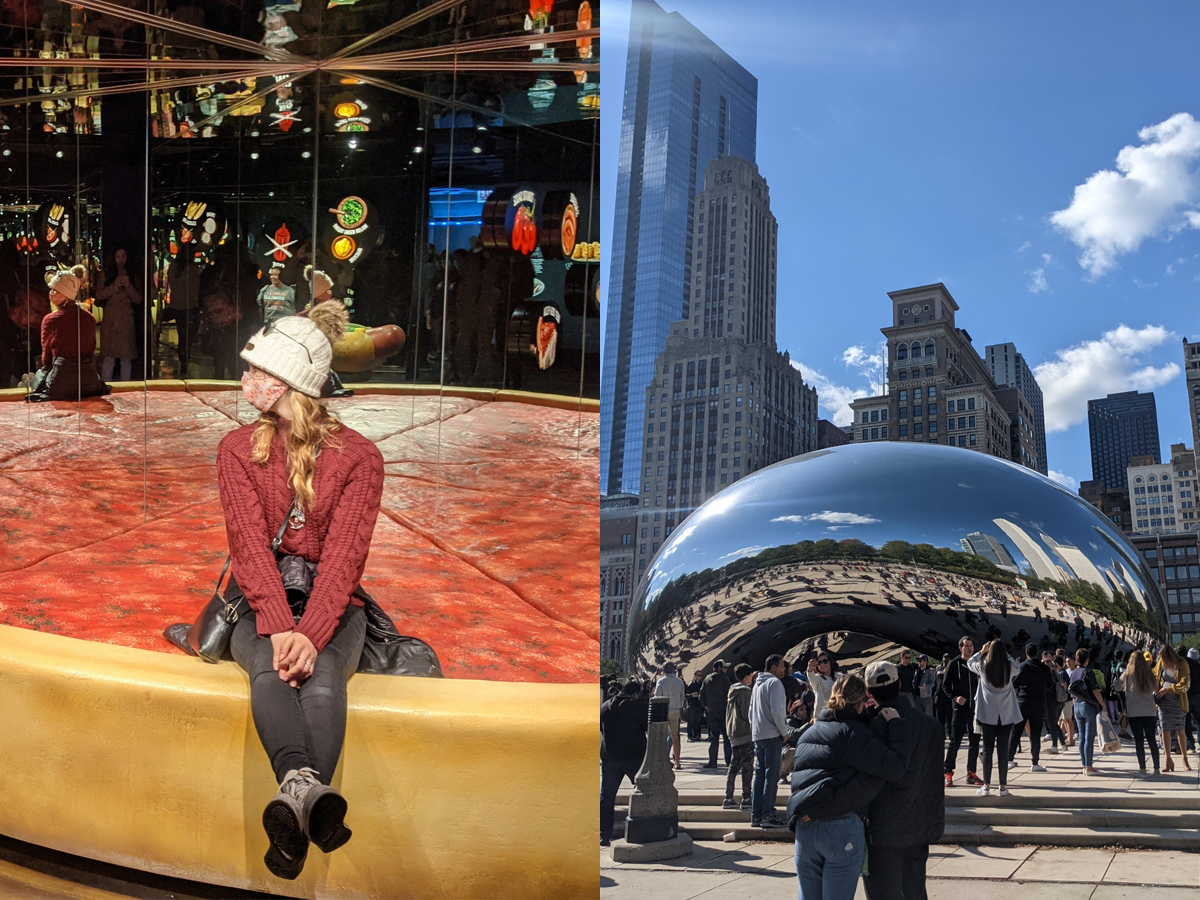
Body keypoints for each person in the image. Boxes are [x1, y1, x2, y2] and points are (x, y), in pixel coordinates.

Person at [217, 300, 384, 879]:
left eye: (256, 370)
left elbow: (344, 559)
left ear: (288, 381)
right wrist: (281, 625)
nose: (245, 380)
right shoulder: (235, 449)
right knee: (272, 665)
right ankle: (309, 799)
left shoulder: (361, 458)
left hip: (329, 603)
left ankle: (293, 811)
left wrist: (310, 633)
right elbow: (247, 547)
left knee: (318, 675)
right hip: (262, 599)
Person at [787, 675, 910, 900]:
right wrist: (896, 725)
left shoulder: (808, 734)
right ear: (862, 701)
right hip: (841, 826)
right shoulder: (853, 733)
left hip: (804, 827)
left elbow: (800, 781)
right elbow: (894, 767)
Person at [862, 661, 943, 900]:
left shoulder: (871, 728)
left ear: (869, 692)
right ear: (899, 684)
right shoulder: (932, 725)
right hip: (920, 825)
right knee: (916, 891)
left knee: (884, 893)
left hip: (883, 829)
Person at [26, 267, 110, 402]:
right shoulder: (89, 318)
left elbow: (46, 356)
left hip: (60, 382)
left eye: (55, 291)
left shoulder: (51, 319)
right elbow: (91, 348)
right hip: (88, 381)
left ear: (65, 295)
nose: (50, 293)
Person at [967, 640, 1021, 796]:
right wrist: (1008, 655)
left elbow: (970, 662)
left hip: (988, 714)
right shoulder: (1009, 667)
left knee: (987, 749)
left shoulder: (983, 666)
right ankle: (1003, 786)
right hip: (1006, 714)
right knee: (1003, 751)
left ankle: (986, 785)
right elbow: (1018, 668)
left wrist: (982, 651)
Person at [600, 679, 647, 848]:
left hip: (610, 757)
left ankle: (604, 834)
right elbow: (646, 726)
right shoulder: (636, 705)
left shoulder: (605, 706)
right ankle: (643, 830)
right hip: (633, 757)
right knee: (644, 791)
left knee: (607, 796)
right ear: (635, 693)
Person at [749, 654, 791, 828]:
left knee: (759, 775)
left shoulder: (757, 684)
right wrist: (784, 732)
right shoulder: (774, 683)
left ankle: (756, 815)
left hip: (759, 734)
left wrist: (755, 730)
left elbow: (751, 711)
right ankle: (768, 814)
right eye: (782, 666)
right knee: (771, 775)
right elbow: (777, 712)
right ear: (773, 667)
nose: (784, 669)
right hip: (773, 734)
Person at [1009, 642, 1057, 772]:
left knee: (1016, 732)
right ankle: (1035, 762)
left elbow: (1014, 684)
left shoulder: (1021, 667)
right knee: (1035, 734)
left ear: (1026, 653)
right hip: (1039, 703)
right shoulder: (1044, 668)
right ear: (1037, 653)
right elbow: (1050, 684)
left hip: (1023, 702)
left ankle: (1009, 759)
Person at [941, 636, 982, 787]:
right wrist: (955, 697)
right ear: (960, 648)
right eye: (967, 646)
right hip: (959, 709)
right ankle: (948, 772)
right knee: (955, 741)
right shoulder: (954, 664)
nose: (970, 648)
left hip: (976, 710)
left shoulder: (977, 665)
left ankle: (971, 773)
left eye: (971, 645)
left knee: (975, 742)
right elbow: (945, 686)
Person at [96, 248, 142, 382]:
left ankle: (126, 390)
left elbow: (138, 299)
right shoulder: (106, 274)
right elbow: (99, 294)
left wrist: (128, 286)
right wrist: (115, 286)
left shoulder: (133, 275)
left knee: (126, 358)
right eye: (117, 256)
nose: (121, 260)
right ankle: (105, 387)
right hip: (110, 319)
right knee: (109, 358)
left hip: (126, 319)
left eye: (123, 256)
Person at [1115, 650, 1159, 775]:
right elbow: (1156, 688)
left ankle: (1143, 769)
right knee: (1152, 740)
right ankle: (1156, 769)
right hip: (1150, 710)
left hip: (1134, 711)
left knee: (1139, 741)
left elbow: (1116, 687)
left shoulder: (1128, 674)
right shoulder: (1149, 673)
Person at [1154, 644, 1191, 772]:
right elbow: (1155, 675)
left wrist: (1168, 689)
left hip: (1177, 702)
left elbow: (1185, 683)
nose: (1162, 661)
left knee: (1180, 729)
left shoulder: (1182, 664)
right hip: (1163, 702)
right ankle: (1167, 759)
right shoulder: (1161, 663)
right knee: (1165, 729)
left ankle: (1184, 758)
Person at [723, 663, 755, 811]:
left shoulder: (732, 690)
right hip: (744, 732)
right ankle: (747, 797)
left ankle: (728, 797)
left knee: (734, 765)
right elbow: (746, 713)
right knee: (747, 766)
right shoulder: (745, 691)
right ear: (746, 676)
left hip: (733, 732)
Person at [1069, 648, 1105, 775]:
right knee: (1089, 737)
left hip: (1077, 705)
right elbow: (1095, 690)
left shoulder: (1073, 673)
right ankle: (1089, 766)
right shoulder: (1088, 672)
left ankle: (1084, 765)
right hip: (1088, 705)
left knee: (1082, 737)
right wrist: (1102, 704)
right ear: (1087, 659)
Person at [652, 661, 687, 770]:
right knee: (675, 737)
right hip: (675, 710)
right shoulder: (679, 682)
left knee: (662, 736)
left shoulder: (661, 682)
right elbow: (682, 697)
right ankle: (677, 762)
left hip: (663, 710)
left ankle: (662, 760)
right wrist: (680, 710)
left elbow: (657, 697)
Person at [701, 660, 732, 768]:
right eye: (724, 668)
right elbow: (730, 693)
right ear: (719, 668)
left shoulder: (707, 678)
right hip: (723, 711)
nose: (726, 670)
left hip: (712, 712)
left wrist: (706, 706)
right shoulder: (724, 678)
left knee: (714, 737)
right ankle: (729, 761)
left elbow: (701, 694)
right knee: (727, 737)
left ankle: (712, 761)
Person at [806, 652, 838, 721]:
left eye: (825, 661)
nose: (822, 664)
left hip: (838, 714)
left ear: (830, 662)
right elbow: (811, 677)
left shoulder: (839, 676)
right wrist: (809, 669)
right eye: (819, 662)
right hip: (822, 717)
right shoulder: (817, 679)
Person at [914, 654, 937, 718]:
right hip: (917, 696)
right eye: (918, 661)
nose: (919, 662)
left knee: (929, 716)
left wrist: (926, 687)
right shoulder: (917, 671)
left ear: (925, 661)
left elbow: (933, 683)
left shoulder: (929, 671)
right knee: (919, 716)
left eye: (920, 660)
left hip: (926, 697)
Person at [1186, 647, 1200, 753]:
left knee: (1187, 720)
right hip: (1198, 696)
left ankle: (1190, 743)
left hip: (1187, 695)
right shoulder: (1198, 667)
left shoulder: (1185, 667)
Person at [686, 668, 705, 741]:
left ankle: (697, 735)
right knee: (691, 721)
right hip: (692, 705)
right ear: (695, 676)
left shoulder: (701, 683)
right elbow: (686, 695)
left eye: (700, 675)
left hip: (699, 704)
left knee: (697, 721)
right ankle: (690, 736)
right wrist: (691, 695)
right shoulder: (691, 684)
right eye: (698, 675)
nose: (699, 677)